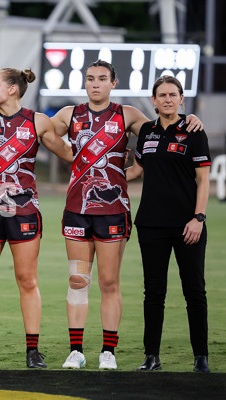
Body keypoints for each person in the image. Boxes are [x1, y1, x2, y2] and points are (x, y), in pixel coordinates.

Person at [49, 60, 203, 370]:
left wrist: (190, 118)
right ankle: (76, 351)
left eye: (102, 78)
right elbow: (38, 131)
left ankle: (108, 351)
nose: (96, 83)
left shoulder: (128, 115)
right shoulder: (70, 114)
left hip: (113, 212)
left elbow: (164, 130)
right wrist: (68, 155)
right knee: (78, 280)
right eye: (90, 78)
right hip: (77, 211)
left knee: (108, 281)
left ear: (113, 83)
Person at [0, 68, 73, 368]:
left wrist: (120, 156)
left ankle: (32, 351)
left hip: (24, 208)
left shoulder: (38, 121)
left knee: (27, 279)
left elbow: (67, 152)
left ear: (12, 89)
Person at [126, 75, 211, 373]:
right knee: (154, 293)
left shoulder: (193, 130)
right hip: (150, 225)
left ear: (181, 99)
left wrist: (198, 217)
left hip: (187, 225)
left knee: (194, 292)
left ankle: (201, 356)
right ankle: (152, 356)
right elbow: (137, 169)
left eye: (172, 95)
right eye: (161, 95)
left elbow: (203, 180)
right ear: (153, 100)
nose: (167, 99)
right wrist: (101, 174)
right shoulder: (147, 131)